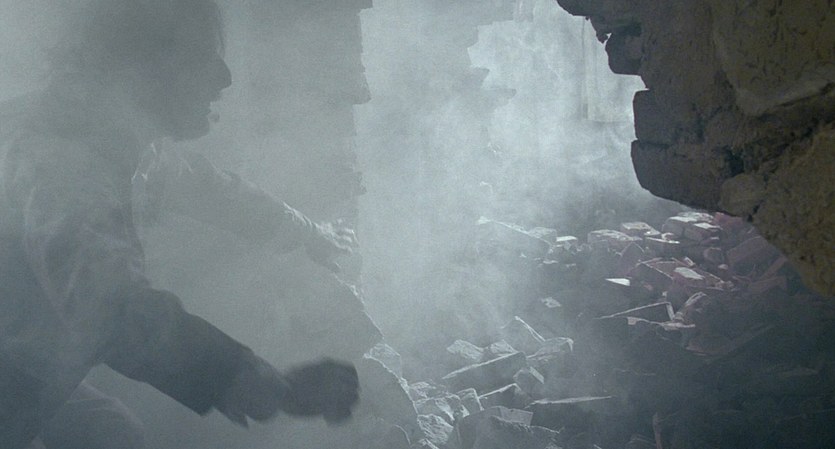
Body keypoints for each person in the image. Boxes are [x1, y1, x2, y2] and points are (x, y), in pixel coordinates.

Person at [0, 0, 360, 448]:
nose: (224, 77)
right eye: (202, 54)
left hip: (25, 364)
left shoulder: (104, 132)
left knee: (112, 435)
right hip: (14, 377)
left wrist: (308, 232)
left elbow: (210, 187)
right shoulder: (62, 164)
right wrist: (243, 377)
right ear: (143, 66)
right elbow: (107, 309)